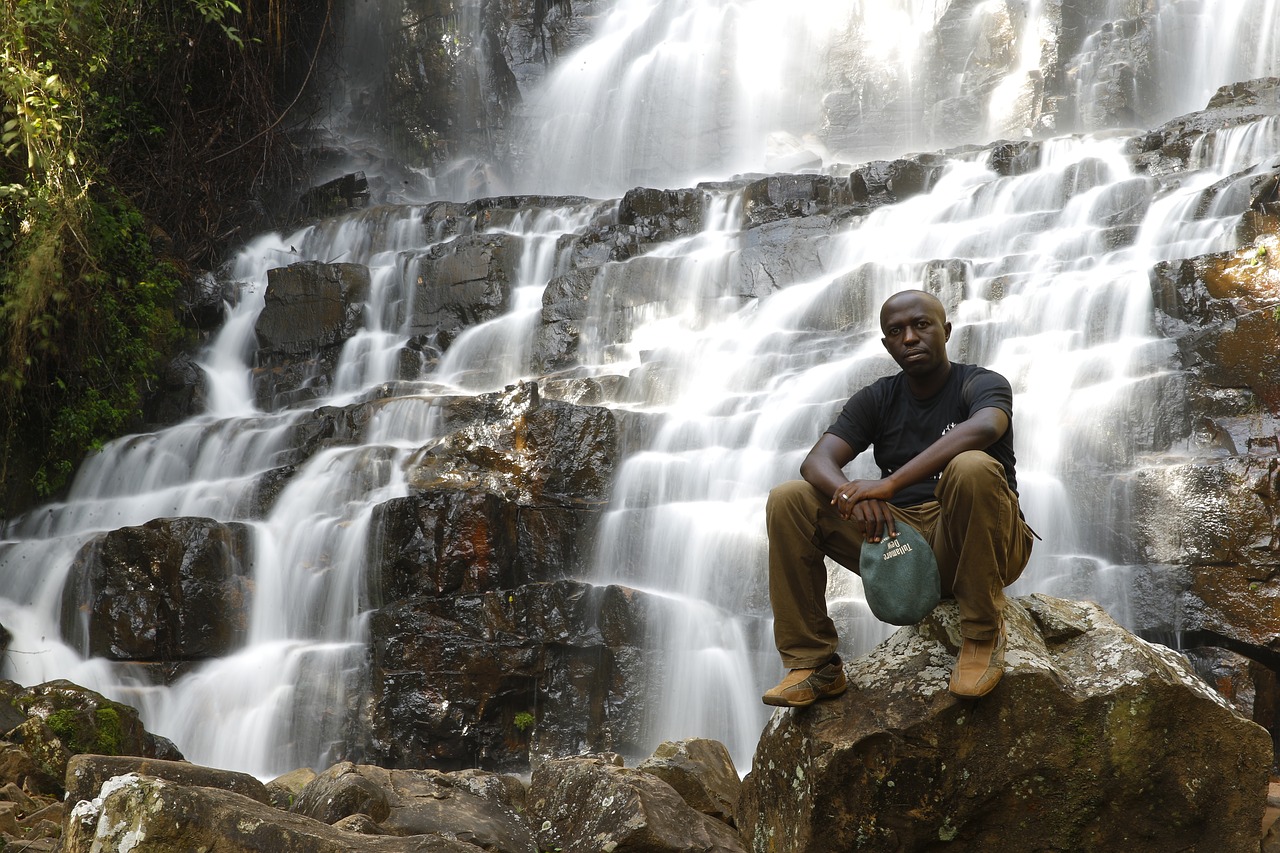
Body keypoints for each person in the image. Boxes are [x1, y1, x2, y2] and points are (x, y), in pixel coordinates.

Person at [763, 289, 1035, 706]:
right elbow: (816, 461)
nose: (909, 337)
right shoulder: (878, 398)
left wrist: (887, 485)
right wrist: (849, 495)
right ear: (886, 344)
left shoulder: (980, 383)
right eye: (896, 331)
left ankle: (982, 634)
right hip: (903, 544)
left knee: (972, 466)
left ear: (945, 331)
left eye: (921, 325)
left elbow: (984, 428)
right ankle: (813, 664)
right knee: (789, 499)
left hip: (981, 536)